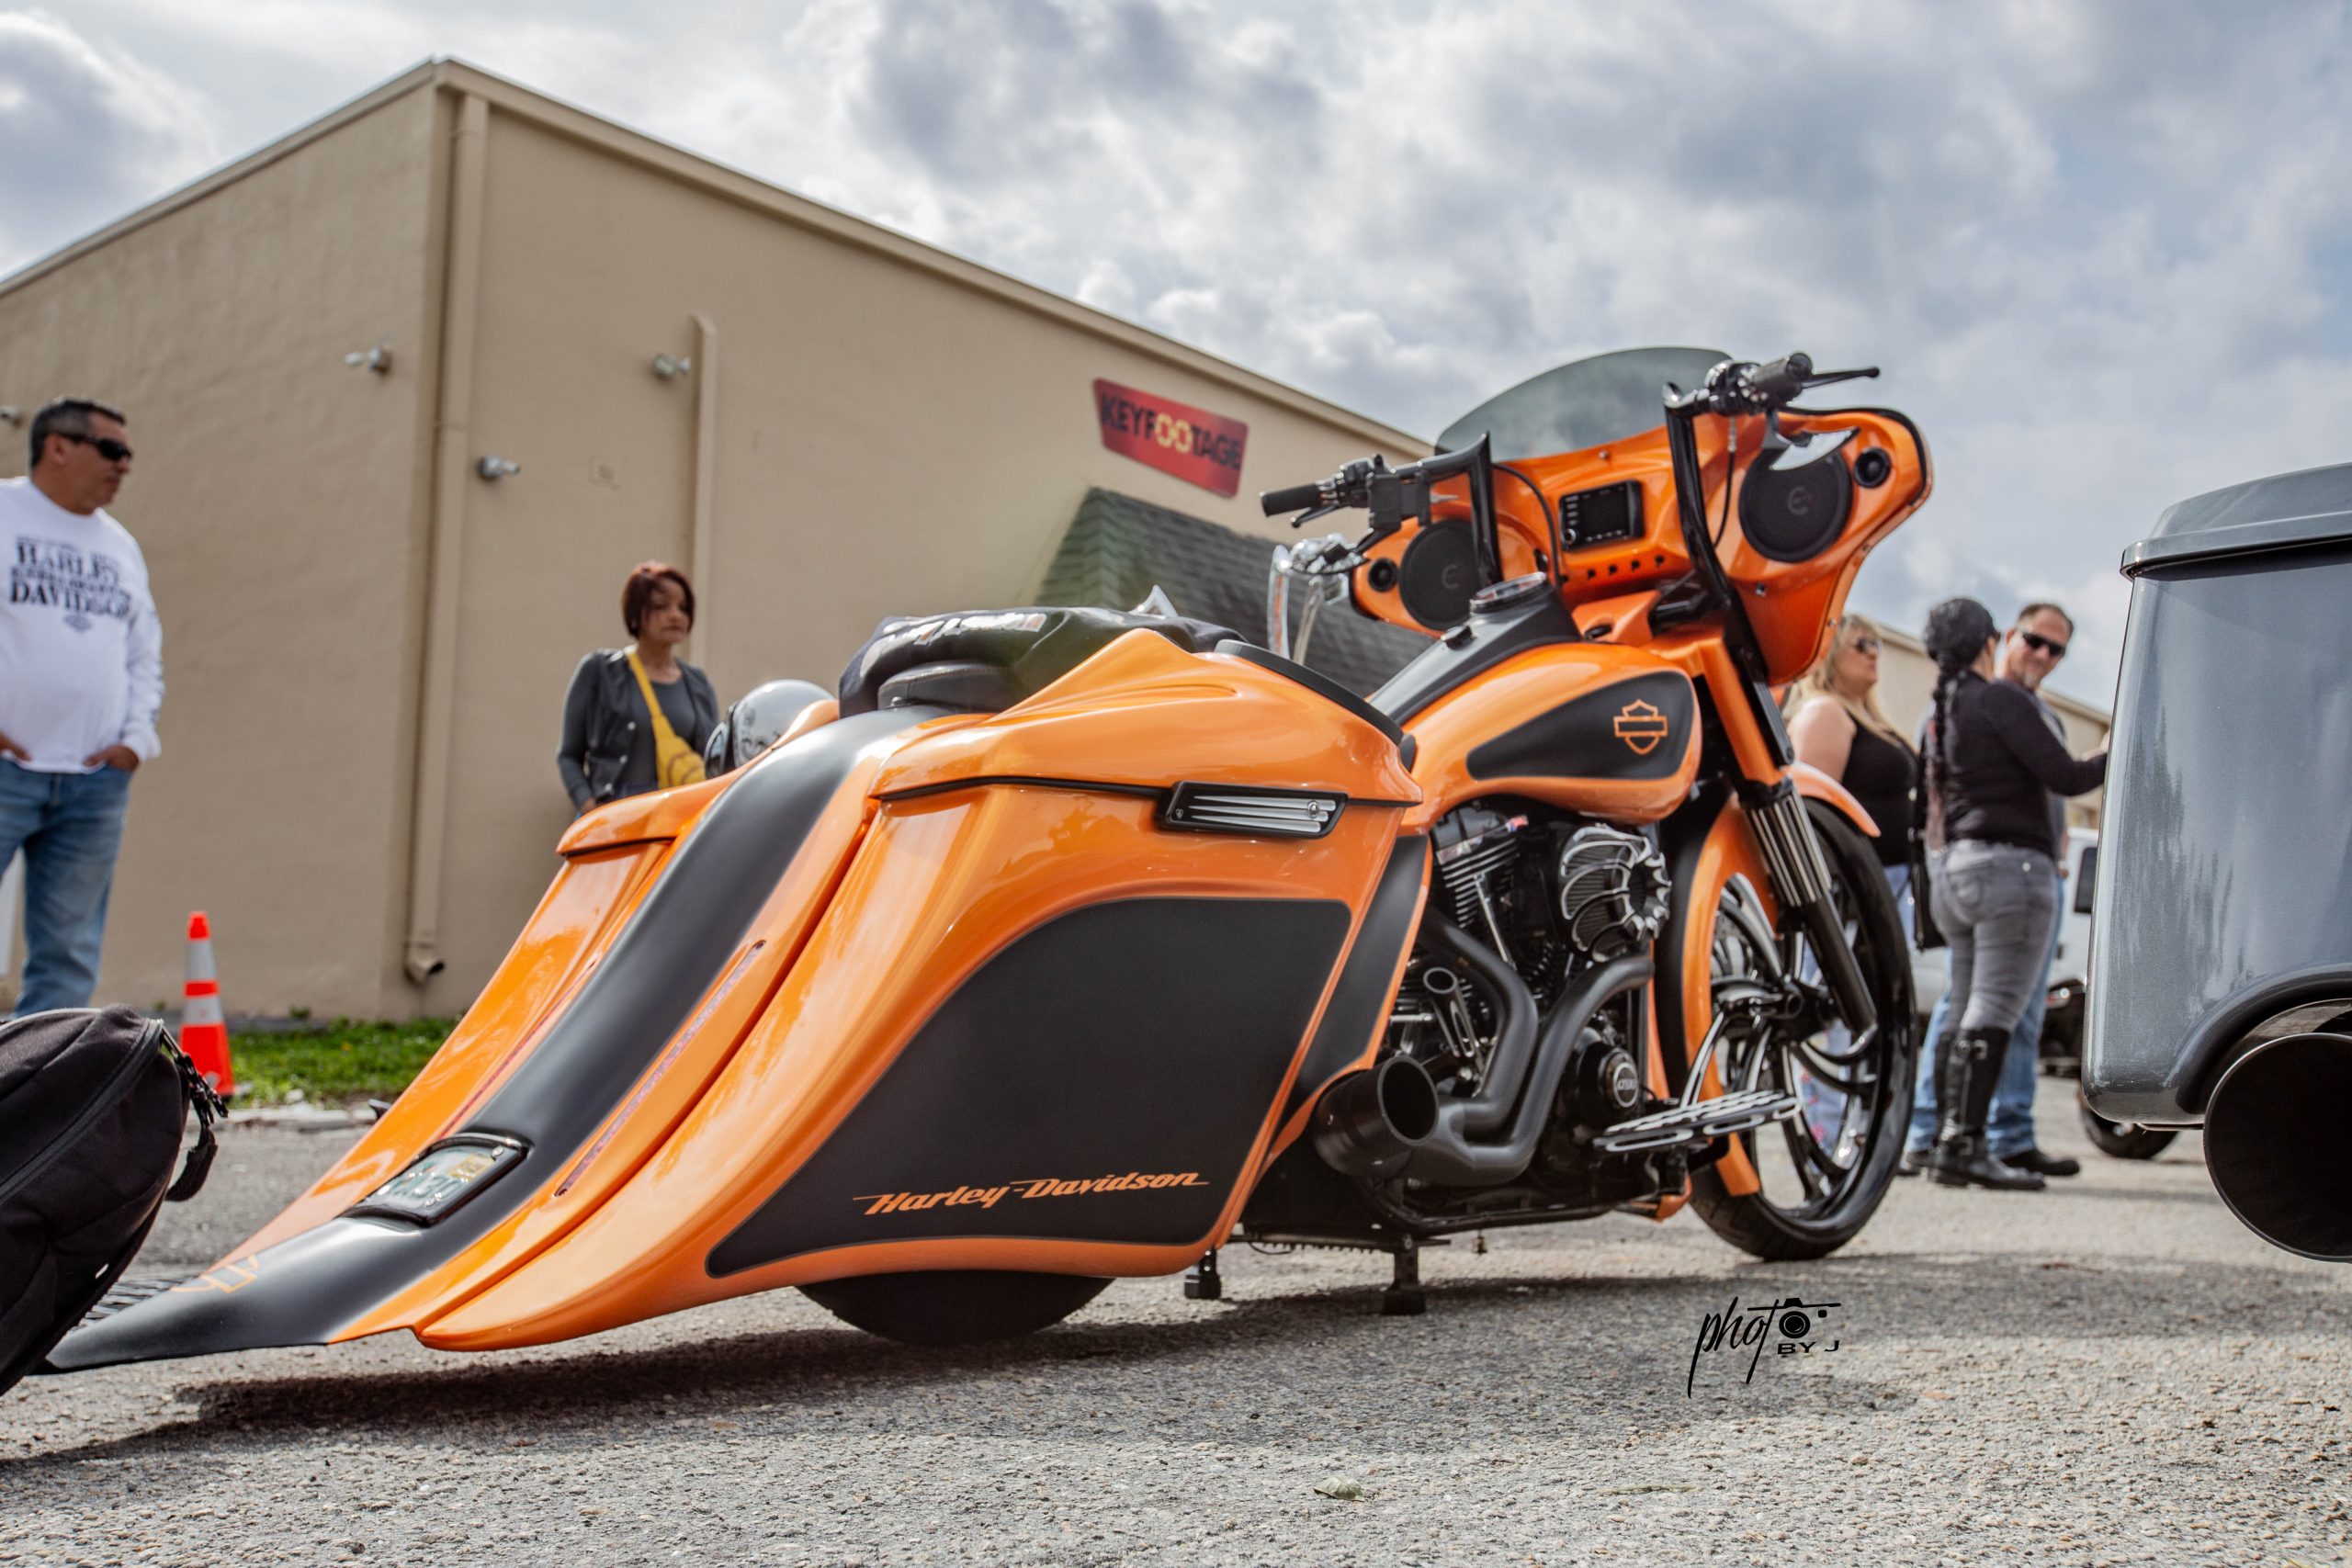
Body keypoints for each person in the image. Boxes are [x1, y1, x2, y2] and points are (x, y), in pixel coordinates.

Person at [1911, 598, 2105, 1190]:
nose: (2043, 655)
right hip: (2010, 875)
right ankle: (1963, 1146)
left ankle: (1943, 1140)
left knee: (1966, 1003)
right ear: (1993, 640)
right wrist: (2122, 745)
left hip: (1958, 872)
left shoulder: (1946, 710)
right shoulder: (2001, 700)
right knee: (1993, 1010)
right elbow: (2068, 778)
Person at [0, 398, 164, 1017]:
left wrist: (135, 739)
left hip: (94, 785)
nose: (124, 466)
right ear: (57, 446)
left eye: (128, 454)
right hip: (6, 770)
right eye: (111, 450)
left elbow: (144, 653)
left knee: (68, 955)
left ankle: (33, 1107)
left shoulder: (120, 546)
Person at [1783, 615, 1917, 1157]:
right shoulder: (1824, 713)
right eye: (1862, 644)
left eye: (1879, 643)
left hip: (1886, 890)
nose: (1874, 653)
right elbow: (1809, 815)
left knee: (1874, 1012)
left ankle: (1862, 1136)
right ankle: (1825, 1133)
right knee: (1834, 1012)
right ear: (1832, 649)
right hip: (1842, 893)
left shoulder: (1870, 718)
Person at [558, 561, 718, 816]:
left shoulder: (697, 683)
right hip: (613, 818)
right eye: (660, 606)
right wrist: (589, 806)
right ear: (635, 612)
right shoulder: (600, 671)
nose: (675, 615)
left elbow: (714, 762)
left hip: (675, 822)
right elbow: (568, 755)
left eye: (683, 607)